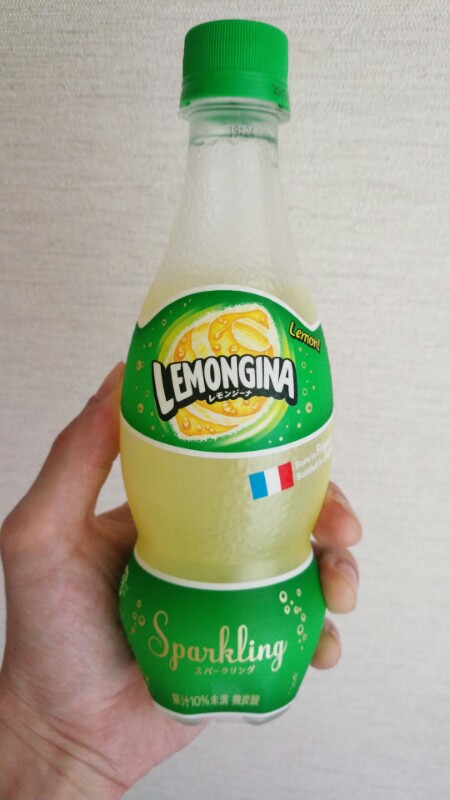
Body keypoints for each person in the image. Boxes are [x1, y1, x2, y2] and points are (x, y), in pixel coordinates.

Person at [0, 363, 361, 798]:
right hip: (206, 614)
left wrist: (291, 484)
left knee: (290, 488)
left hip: (230, 619)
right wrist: (44, 735)